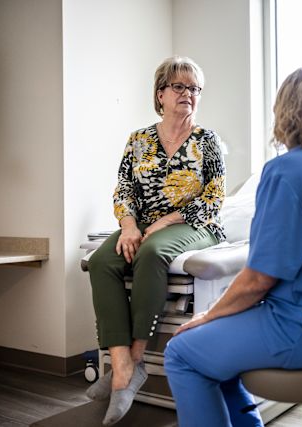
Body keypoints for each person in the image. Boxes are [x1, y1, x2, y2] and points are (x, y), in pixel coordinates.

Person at [164, 66, 302, 427]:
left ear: (286, 111)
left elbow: (258, 279)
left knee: (182, 352)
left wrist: (209, 314)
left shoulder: (288, 171)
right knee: (215, 353)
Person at [85, 56, 226, 426]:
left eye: (194, 88)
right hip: (142, 225)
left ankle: (134, 359)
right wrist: (128, 224)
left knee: (151, 252)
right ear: (160, 93)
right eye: (179, 87)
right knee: (102, 261)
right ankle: (122, 367)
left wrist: (165, 220)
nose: (188, 94)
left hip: (194, 223)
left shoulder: (206, 140)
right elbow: (124, 190)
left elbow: (213, 198)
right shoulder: (139, 140)